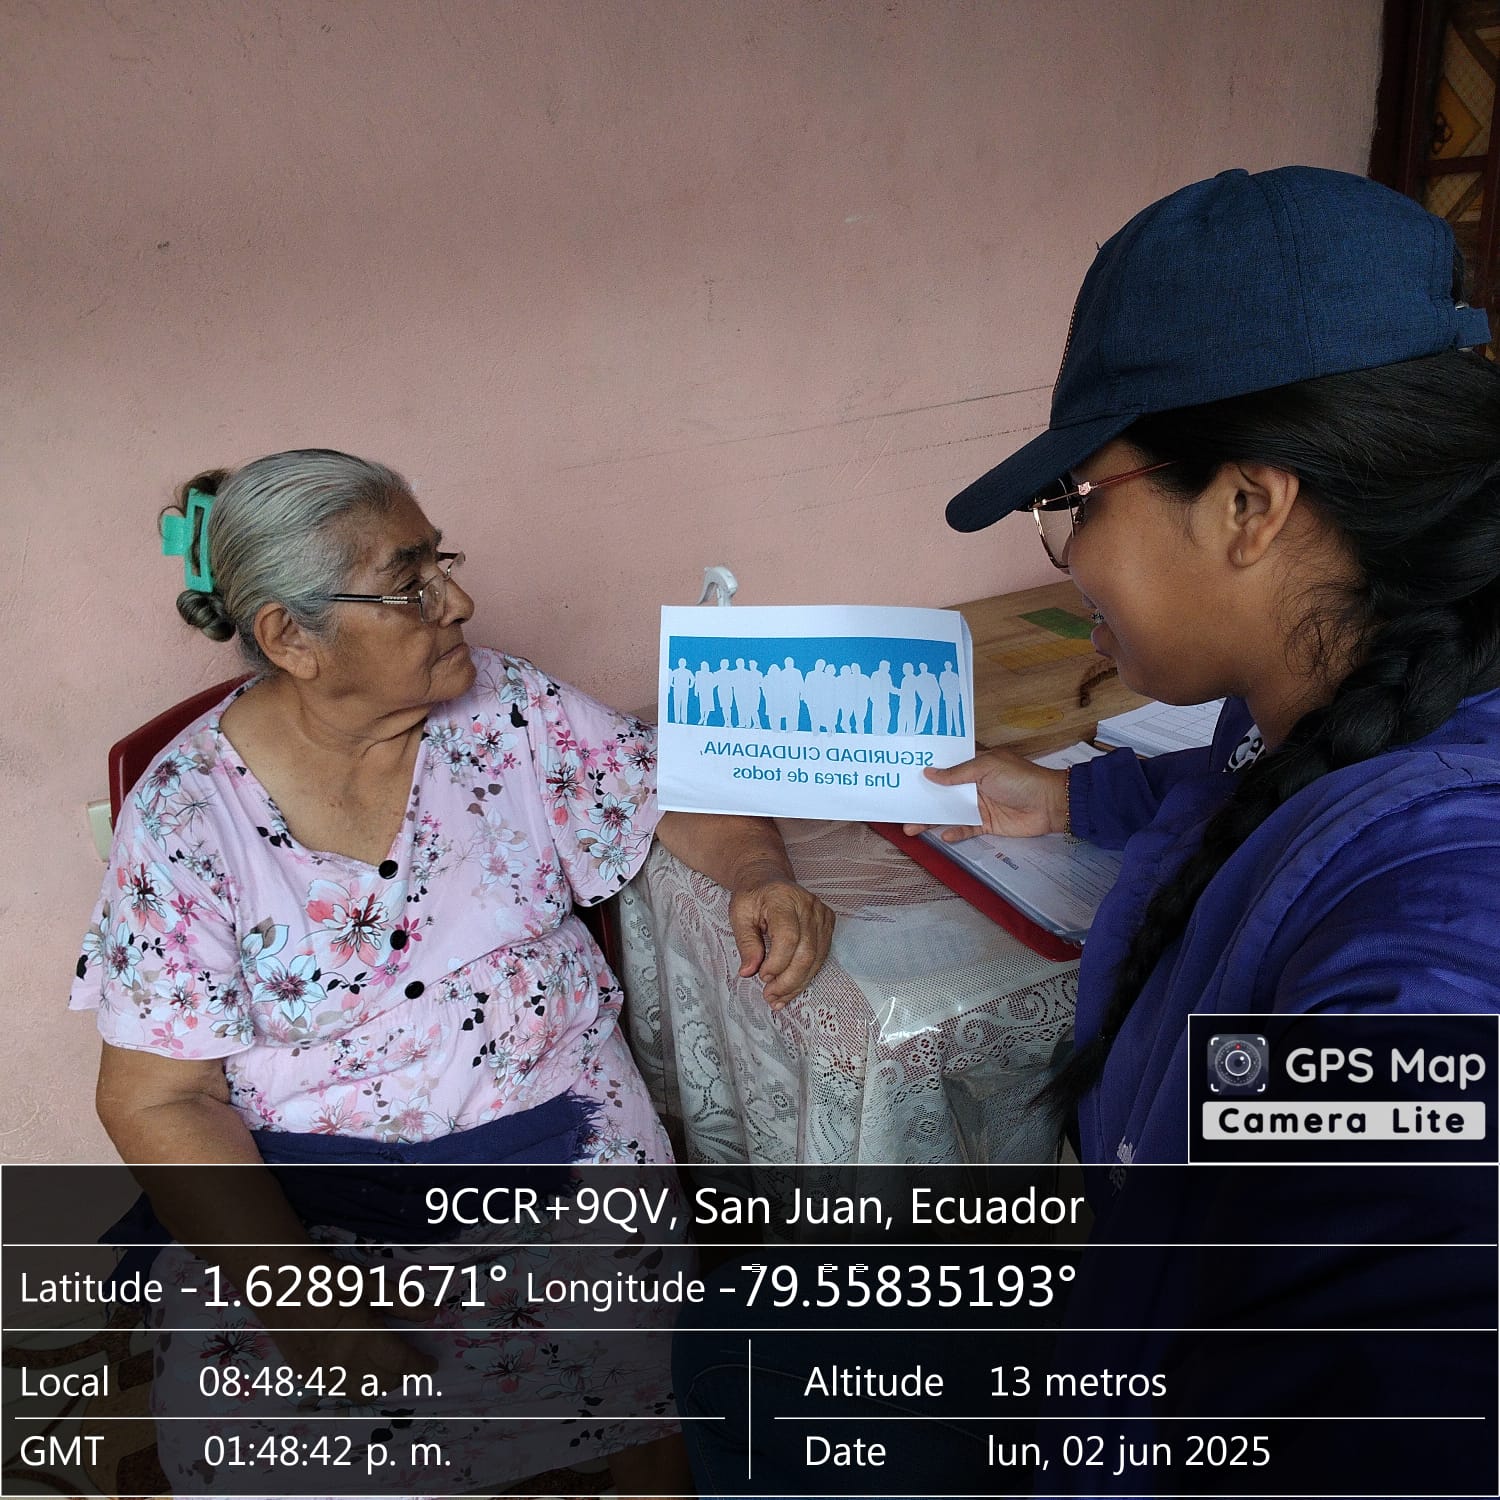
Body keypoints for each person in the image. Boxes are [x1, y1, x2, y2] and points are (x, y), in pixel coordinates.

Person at [678, 166, 1500, 1500]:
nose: (1069, 553)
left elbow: (1390, 1365)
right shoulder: (1338, 696)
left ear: (1249, 506)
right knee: (750, 1330)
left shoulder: (1443, 894)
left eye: (1079, 499)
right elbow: (1245, 789)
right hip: (1137, 1294)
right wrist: (1072, 799)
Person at [72, 448, 834, 1498]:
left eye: (443, 563)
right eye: (410, 583)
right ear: (290, 638)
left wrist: (758, 871)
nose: (458, 601)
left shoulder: (509, 710)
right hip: (315, 1206)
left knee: (657, 1374)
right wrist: (306, 1306)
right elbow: (156, 1098)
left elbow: (670, 787)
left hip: (566, 1155)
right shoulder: (189, 818)